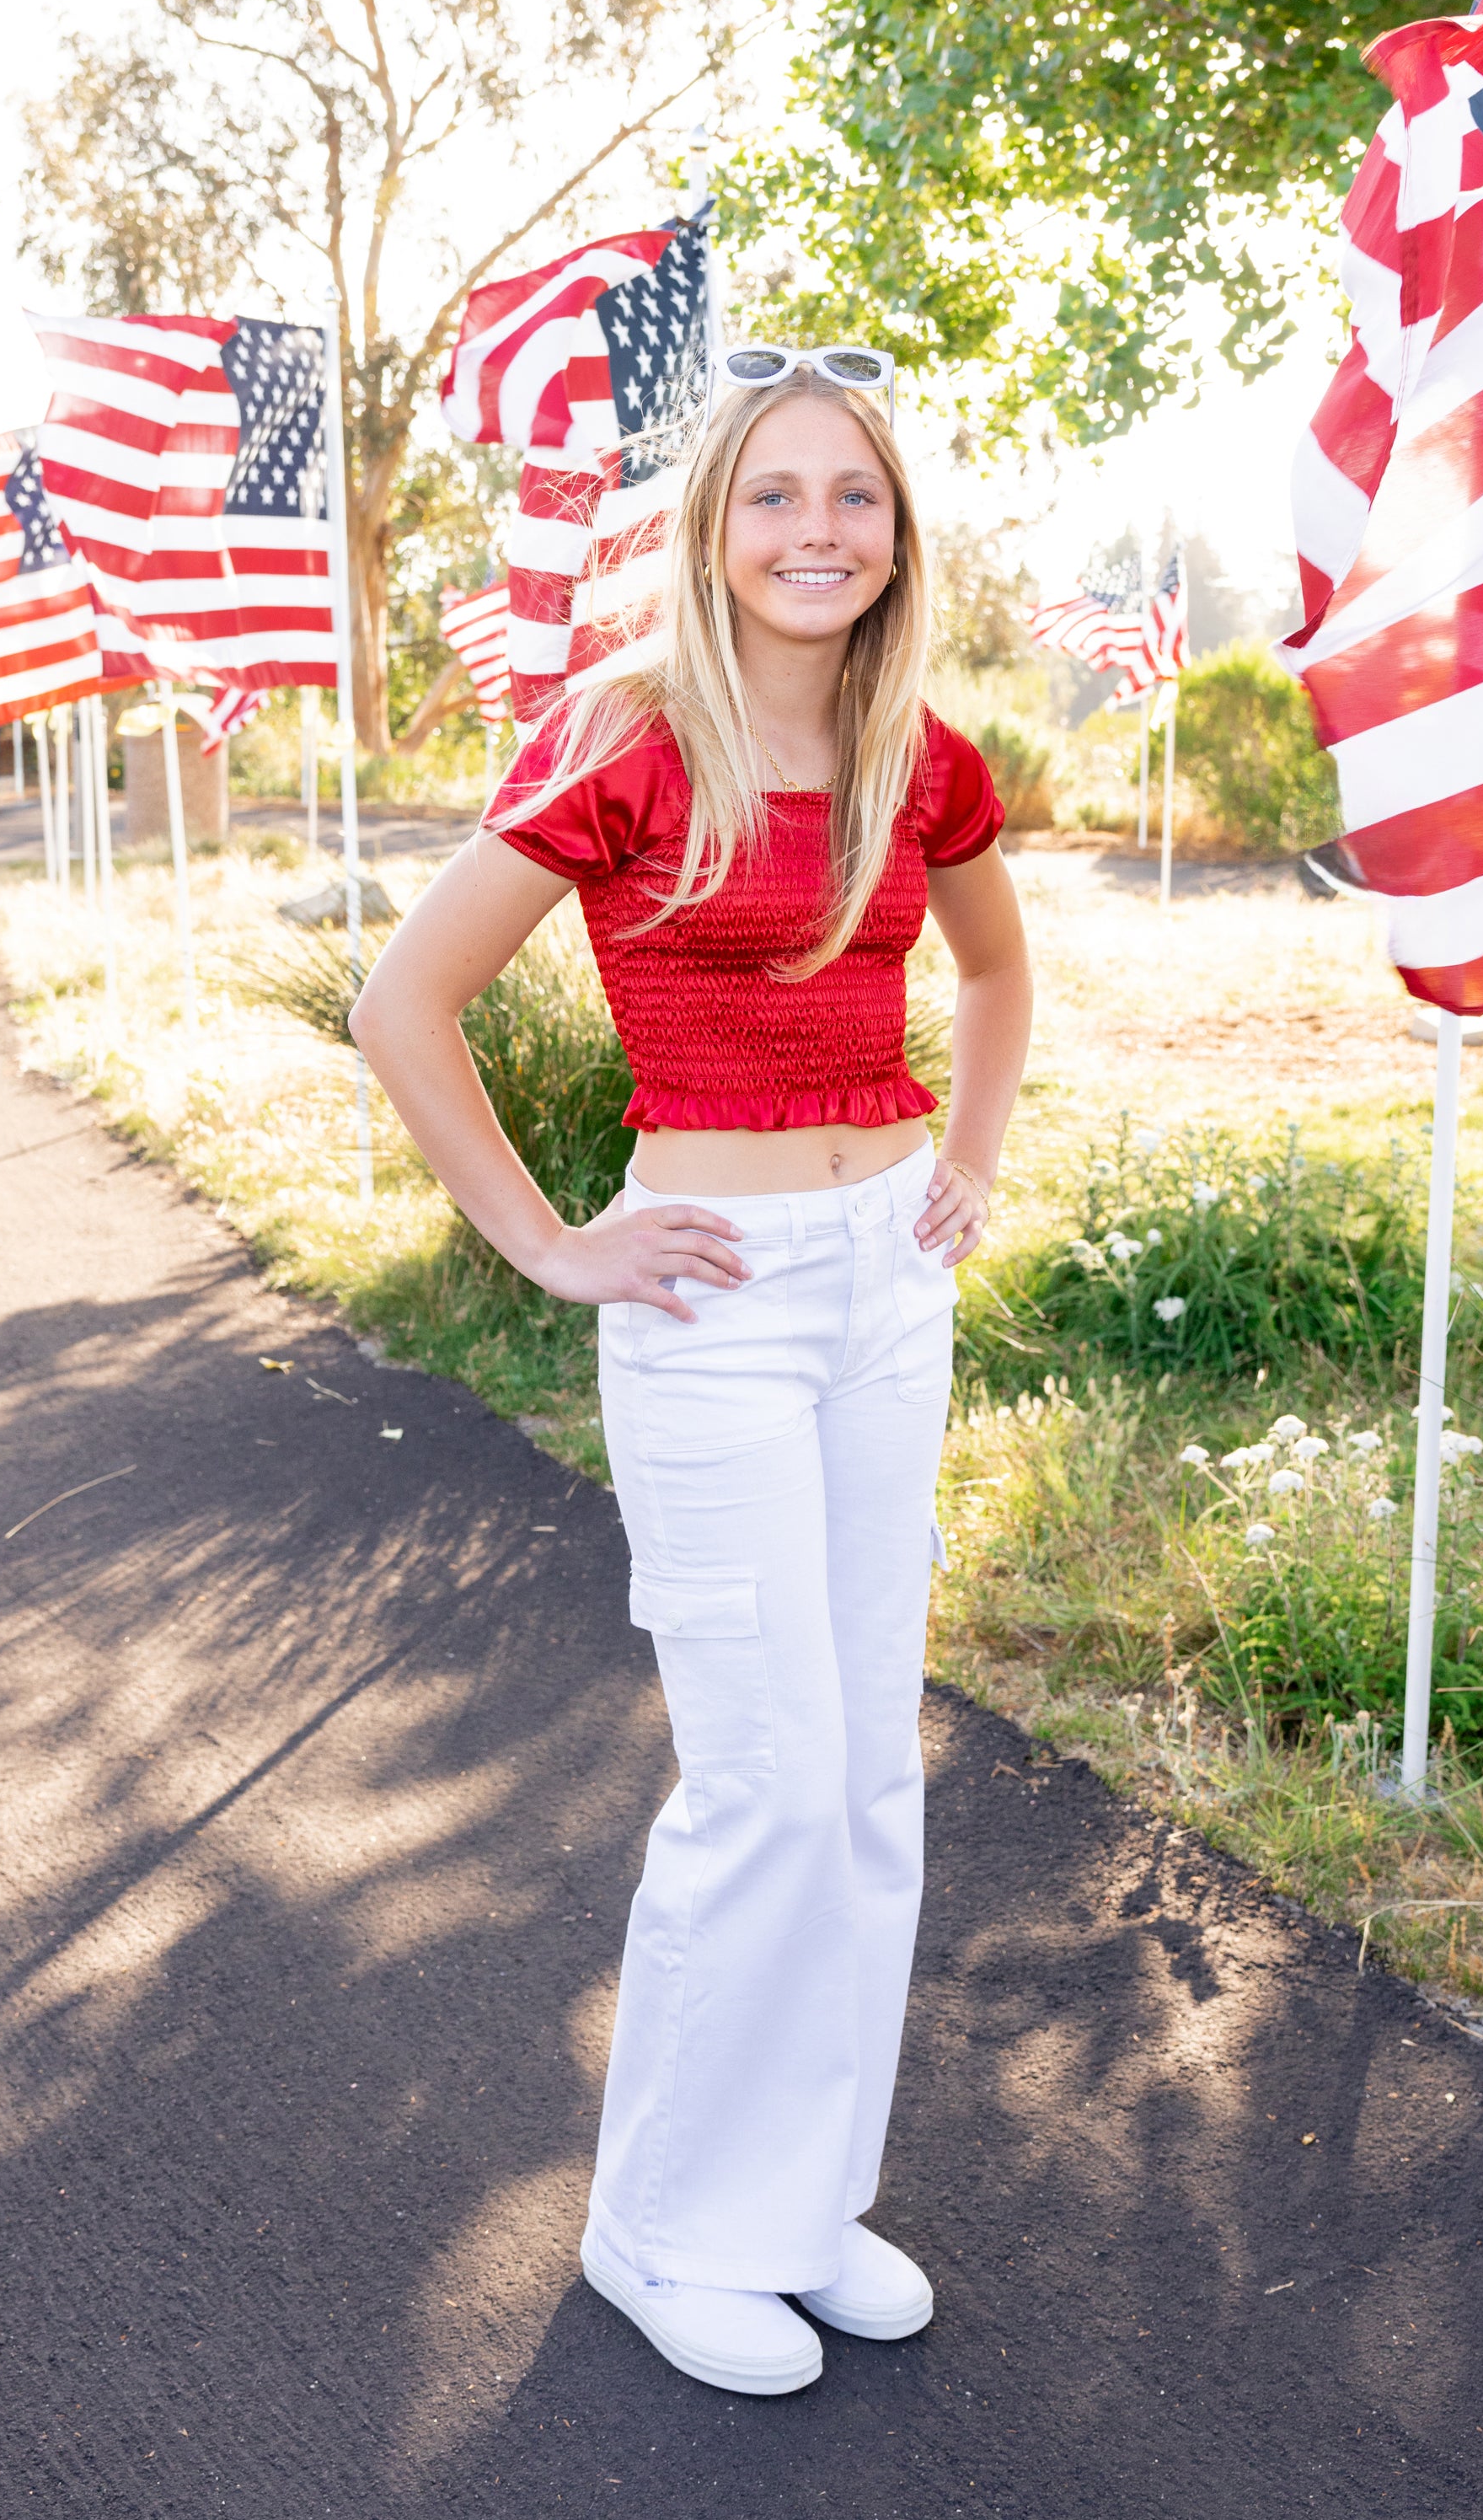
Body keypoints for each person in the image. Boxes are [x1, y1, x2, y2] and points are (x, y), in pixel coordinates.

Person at [350, 352, 1033, 2396]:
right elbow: (409, 999)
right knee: (757, 1784)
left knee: (861, 1784)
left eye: (858, 498)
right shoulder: (632, 733)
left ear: (898, 535)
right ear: (714, 525)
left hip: (883, 1284)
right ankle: (661, 2235)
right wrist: (549, 1243)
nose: (819, 531)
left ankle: (799, 2211)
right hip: (711, 1299)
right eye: (776, 497)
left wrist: (971, 1160)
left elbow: (995, 972)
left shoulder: (926, 751)